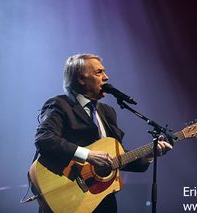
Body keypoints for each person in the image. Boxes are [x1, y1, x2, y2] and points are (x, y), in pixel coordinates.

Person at [34, 53, 172, 212]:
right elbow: (44, 138)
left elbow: (115, 158)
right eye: (98, 72)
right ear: (81, 79)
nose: (106, 77)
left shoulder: (107, 112)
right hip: (67, 199)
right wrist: (87, 155)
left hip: (103, 201)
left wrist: (149, 154)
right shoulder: (60, 105)